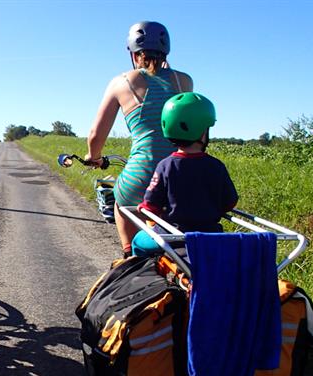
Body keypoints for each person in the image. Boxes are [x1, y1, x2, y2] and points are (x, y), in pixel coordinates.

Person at [84, 21, 193, 257]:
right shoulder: (184, 81)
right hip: (181, 174)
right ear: (166, 52)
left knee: (121, 201)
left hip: (141, 174)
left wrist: (93, 156)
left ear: (133, 54)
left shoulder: (121, 82)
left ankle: (129, 257)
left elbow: (95, 135)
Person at [131, 92, 239, 257]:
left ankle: (138, 267)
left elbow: (152, 205)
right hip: (210, 236)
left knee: (138, 241)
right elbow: (230, 203)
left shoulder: (165, 166)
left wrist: (144, 207)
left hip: (171, 236)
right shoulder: (217, 166)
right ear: (202, 132)